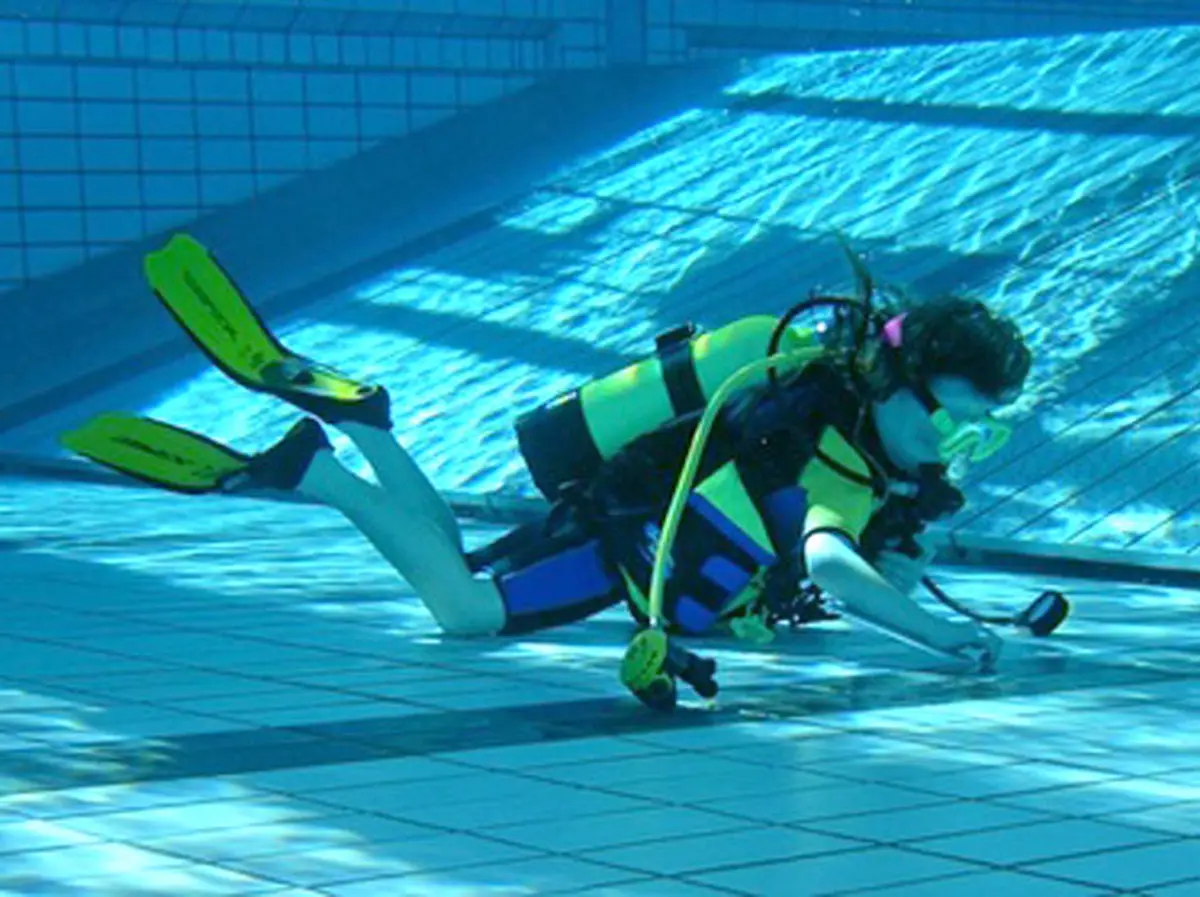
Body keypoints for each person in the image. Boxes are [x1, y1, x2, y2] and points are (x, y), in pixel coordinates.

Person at [65, 234, 1031, 676]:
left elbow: (845, 562)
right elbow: (829, 562)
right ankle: (313, 468)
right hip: (621, 544)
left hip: (621, 514)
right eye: (949, 418)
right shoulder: (832, 448)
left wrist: (907, 556)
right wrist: (941, 638)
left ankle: (364, 423)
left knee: (461, 565)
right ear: (902, 383)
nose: (948, 445)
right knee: (465, 610)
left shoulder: (830, 417)